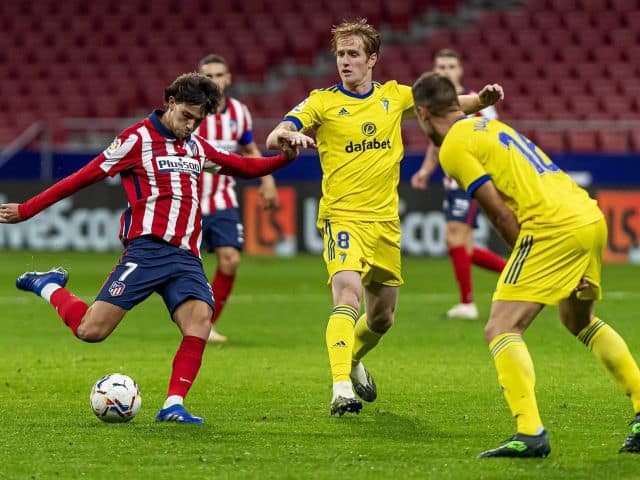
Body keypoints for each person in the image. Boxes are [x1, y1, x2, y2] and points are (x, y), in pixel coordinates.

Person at [0, 73, 302, 424]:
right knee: (90, 331)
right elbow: (82, 177)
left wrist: (285, 159)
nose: (190, 126)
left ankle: (173, 404)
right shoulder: (135, 140)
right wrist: (27, 209)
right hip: (146, 253)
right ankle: (47, 284)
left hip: (186, 257)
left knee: (199, 322)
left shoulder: (196, 146)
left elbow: (245, 166)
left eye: (198, 120)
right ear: (170, 102)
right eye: (187, 116)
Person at [266, 19, 503, 416]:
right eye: (340, 54)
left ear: (372, 58)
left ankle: (354, 360)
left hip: (385, 224)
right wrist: (289, 137)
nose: (345, 61)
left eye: (353, 54)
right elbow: (276, 135)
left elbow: (447, 107)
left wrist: (481, 99)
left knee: (382, 318)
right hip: (341, 216)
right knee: (347, 295)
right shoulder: (320, 102)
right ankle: (341, 386)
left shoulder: (395, 96)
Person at [411, 71, 640, 457]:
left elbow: (497, 211)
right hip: (586, 216)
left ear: (421, 113)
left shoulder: (453, 147)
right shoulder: (489, 125)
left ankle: (529, 432)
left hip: (551, 228)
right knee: (577, 320)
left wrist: (528, 254)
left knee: (501, 326)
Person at [411, 49, 506, 320]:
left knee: (454, 236)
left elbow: (493, 137)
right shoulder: (437, 103)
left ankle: (467, 303)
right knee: (460, 244)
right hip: (452, 178)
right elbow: (435, 142)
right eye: (441, 65)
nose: (446, 70)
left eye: (451, 65)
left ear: (460, 70)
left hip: (473, 176)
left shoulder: (478, 102)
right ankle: (517, 273)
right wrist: (426, 170)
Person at [196, 54, 280, 343]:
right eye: (208, 75)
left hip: (221, 198)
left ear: (228, 78)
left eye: (219, 75)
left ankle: (205, 325)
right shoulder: (191, 111)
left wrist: (267, 182)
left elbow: (250, 150)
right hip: (188, 201)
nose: (215, 80)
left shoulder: (239, 113)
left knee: (230, 260)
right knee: (181, 267)